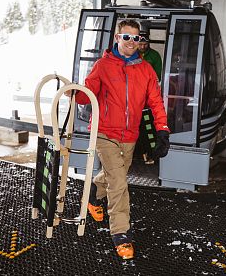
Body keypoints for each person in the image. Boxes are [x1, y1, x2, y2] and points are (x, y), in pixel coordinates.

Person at [72, 19, 170, 260]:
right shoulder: (103, 65)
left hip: (130, 135)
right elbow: (86, 96)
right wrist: (79, 93)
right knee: (118, 183)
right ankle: (121, 234)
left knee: (116, 174)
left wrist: (163, 129)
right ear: (117, 38)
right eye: (126, 37)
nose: (131, 42)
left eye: (136, 38)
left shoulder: (145, 69)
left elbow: (155, 101)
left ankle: (94, 195)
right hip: (105, 132)